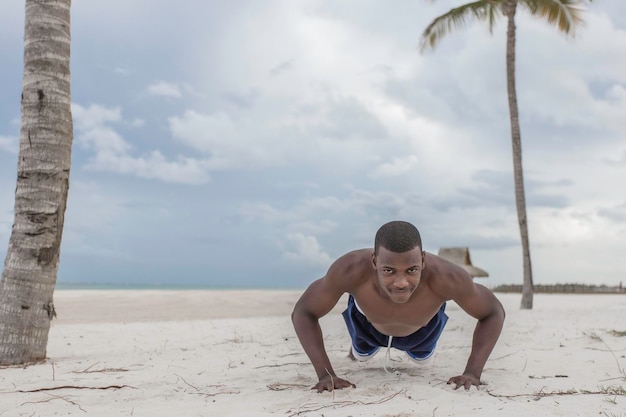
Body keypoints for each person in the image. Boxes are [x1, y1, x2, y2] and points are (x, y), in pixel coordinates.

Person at [291, 220, 505, 393]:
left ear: (422, 260)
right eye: (388, 270)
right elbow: (304, 312)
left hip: (422, 334)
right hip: (366, 329)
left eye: (411, 270)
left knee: (422, 360)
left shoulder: (447, 277)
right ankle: (360, 346)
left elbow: (493, 312)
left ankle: (415, 348)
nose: (401, 282)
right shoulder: (350, 269)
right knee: (361, 355)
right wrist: (325, 374)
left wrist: (473, 373)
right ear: (374, 262)